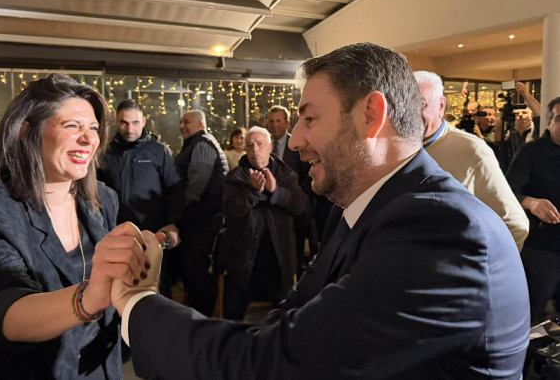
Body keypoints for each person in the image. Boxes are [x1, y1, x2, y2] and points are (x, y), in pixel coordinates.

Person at [110, 43, 529, 380]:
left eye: (309, 119)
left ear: (371, 115)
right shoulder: (360, 210)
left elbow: (279, 365)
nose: (295, 141)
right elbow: (287, 326)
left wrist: (136, 302)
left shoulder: (442, 230)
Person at [0, 74, 148, 379]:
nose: (89, 139)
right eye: (72, 126)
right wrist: (90, 298)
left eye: (93, 128)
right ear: (26, 131)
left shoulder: (103, 200)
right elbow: (3, 310)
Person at [414, 70, 529, 250]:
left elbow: (514, 225)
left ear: (441, 105)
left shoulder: (471, 150)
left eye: (420, 104)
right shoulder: (390, 146)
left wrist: (469, 264)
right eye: (402, 104)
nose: (409, 113)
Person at [221, 126, 307, 320]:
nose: (255, 150)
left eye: (260, 144)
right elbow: (230, 210)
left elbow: (300, 206)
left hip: (278, 257)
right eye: (250, 145)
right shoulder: (234, 177)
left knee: (283, 317)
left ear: (270, 147)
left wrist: (275, 190)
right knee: (234, 314)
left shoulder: (285, 174)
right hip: (243, 258)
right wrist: (254, 192)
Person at [98, 99, 181, 297]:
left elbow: (176, 190)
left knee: (157, 285)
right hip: (117, 232)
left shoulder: (159, 151)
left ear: (143, 121)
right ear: (116, 122)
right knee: (120, 286)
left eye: (135, 122)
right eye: (124, 123)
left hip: (152, 232)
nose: (130, 129)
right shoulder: (106, 153)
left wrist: (174, 223)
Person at [506, 97, 560, 324]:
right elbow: (506, 193)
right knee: (533, 311)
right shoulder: (531, 153)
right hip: (542, 246)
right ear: (549, 122)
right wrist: (530, 202)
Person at [176, 109, 229, 316]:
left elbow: (196, 183)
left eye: (187, 122)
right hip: (202, 219)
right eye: (181, 122)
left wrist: (178, 209)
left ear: (200, 124)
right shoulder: (198, 142)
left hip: (202, 220)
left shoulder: (202, 144)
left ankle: (202, 319)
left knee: (199, 272)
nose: (182, 126)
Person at [267, 105, 317, 276]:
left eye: (278, 121)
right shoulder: (263, 146)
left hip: (294, 213)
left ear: (287, 124)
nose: (275, 125)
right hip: (270, 212)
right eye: (271, 121)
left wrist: (293, 197)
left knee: (293, 257)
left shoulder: (297, 145)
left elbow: (308, 175)